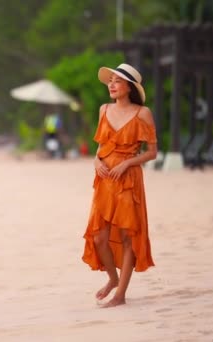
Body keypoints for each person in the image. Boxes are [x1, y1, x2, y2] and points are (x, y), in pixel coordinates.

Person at [82, 63, 158, 308]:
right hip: (104, 179)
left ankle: (120, 296)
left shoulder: (142, 113)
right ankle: (112, 279)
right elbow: (101, 146)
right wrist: (96, 160)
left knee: (128, 237)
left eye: (117, 81)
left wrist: (127, 164)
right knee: (98, 238)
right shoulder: (103, 109)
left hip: (128, 180)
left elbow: (152, 152)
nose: (111, 85)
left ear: (129, 87)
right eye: (110, 81)